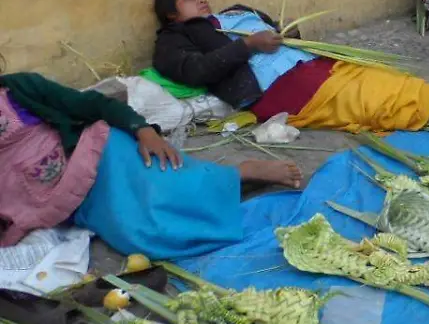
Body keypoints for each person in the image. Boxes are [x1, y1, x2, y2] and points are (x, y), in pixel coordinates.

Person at [0, 67, 300, 257]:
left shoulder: (18, 88)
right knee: (146, 234)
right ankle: (226, 185)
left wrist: (142, 130)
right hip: (53, 203)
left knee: (169, 186)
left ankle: (238, 174)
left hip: (94, 158)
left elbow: (92, 104)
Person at [153, 0, 429, 130]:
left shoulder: (234, 12)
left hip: (312, 63)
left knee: (381, 80)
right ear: (171, 14)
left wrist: (286, 34)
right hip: (279, 89)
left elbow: (278, 30)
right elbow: (194, 70)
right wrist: (249, 46)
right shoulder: (175, 38)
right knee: (366, 103)